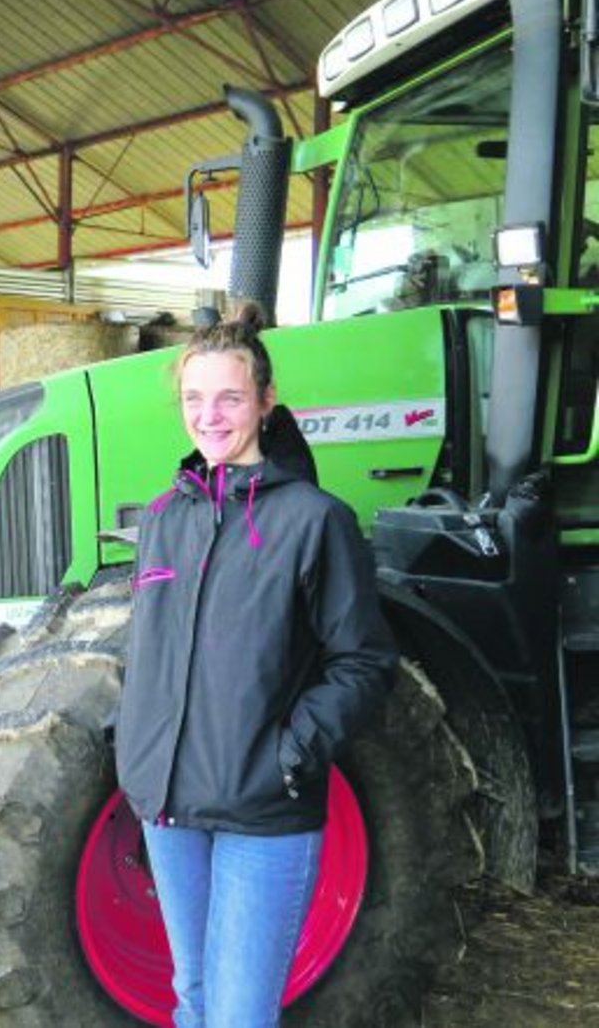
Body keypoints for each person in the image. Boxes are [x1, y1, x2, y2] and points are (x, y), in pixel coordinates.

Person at [114, 305, 397, 1028]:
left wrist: (292, 753)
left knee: (240, 1015)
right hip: (170, 809)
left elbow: (364, 661)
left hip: (262, 811)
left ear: (266, 402)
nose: (210, 417)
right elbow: (149, 651)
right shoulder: (162, 518)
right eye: (195, 399)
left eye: (230, 398)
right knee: (194, 997)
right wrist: (136, 749)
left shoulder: (313, 521)